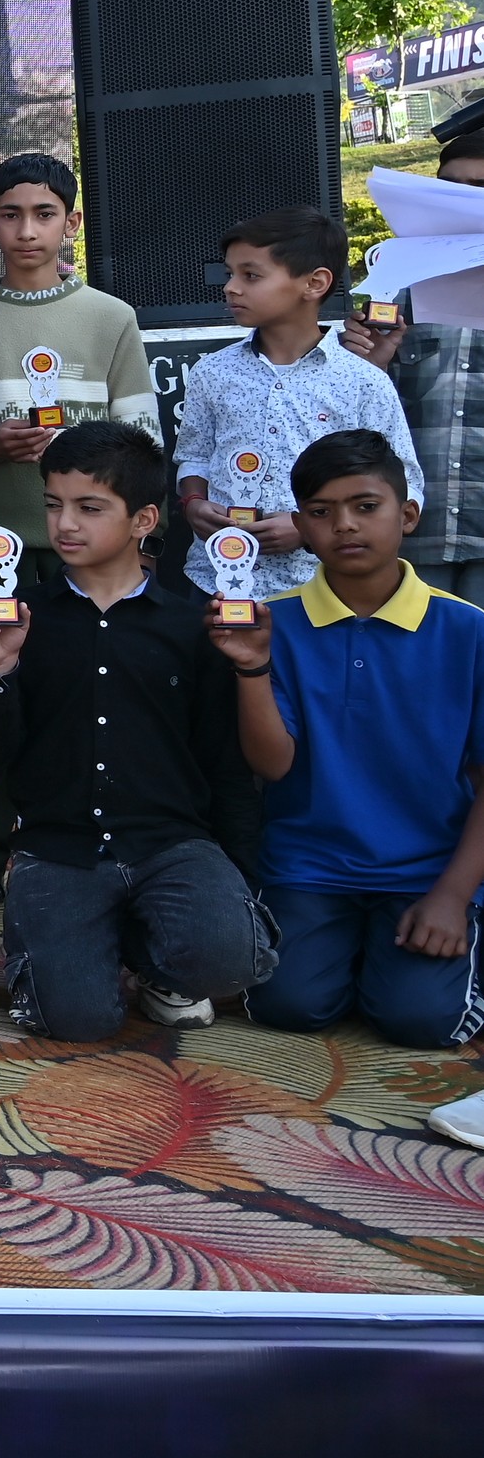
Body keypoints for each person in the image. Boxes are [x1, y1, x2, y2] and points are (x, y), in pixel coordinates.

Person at [0, 422, 272, 1041]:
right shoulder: (21, 619)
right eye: (53, 504)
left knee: (230, 958)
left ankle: (154, 956)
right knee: (76, 1020)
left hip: (171, 844)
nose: (64, 524)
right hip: (59, 848)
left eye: (89, 507)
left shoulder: (193, 626)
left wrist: (234, 879)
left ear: (143, 520)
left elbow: (224, 763)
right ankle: (71, 942)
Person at [225, 430, 484, 1049]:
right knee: (289, 1004)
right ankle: (358, 953)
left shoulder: (468, 630)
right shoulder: (275, 623)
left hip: (428, 869)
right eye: (321, 512)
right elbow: (272, 766)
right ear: (300, 526)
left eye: (366, 506)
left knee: (421, 1019)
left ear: (408, 514)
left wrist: (452, 896)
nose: (344, 525)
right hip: (308, 867)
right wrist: (251, 667)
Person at [175, 207, 420, 602]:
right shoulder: (212, 372)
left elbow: (405, 483)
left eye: (251, 275)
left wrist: (308, 527)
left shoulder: (363, 381)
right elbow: (195, 456)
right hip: (216, 581)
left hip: (324, 588)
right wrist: (193, 504)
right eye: (230, 274)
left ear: (314, 283)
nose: (231, 288)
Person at [0, 153, 158, 554]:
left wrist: (148, 541)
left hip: (98, 544)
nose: (27, 231)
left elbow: (143, 437)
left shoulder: (113, 316)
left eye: (45, 214)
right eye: (11, 215)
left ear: (72, 223)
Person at [339, 99, 484, 604]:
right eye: (451, 188)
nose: (464, 201)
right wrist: (369, 366)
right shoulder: (394, 284)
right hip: (416, 527)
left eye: (480, 189)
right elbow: (357, 409)